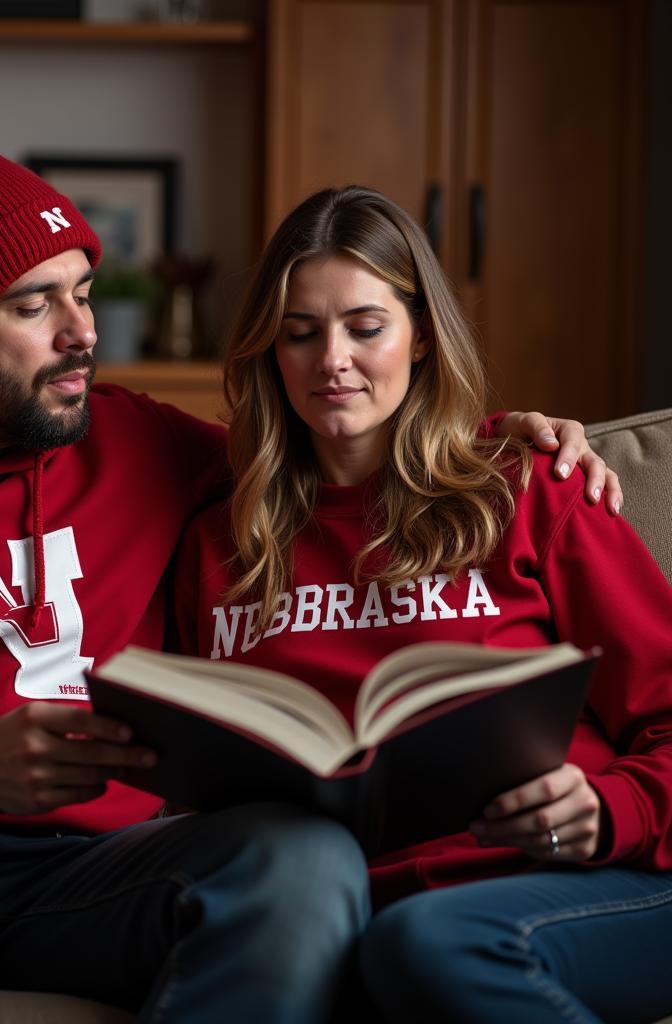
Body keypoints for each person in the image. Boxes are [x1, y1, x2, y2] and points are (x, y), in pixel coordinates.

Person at [0, 142, 614, 1023]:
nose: (83, 332)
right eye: (34, 306)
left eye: (83, 290)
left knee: (302, 859)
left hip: (103, 877)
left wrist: (494, 439)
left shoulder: (141, 441)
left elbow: (337, 445)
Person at [172, 184, 672, 1023]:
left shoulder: (533, 491)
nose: (332, 358)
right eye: (300, 333)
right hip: (349, 912)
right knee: (390, 950)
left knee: (430, 945)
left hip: (583, 878)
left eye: (366, 328)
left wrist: (608, 809)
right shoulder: (219, 545)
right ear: (270, 353)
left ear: (422, 338)